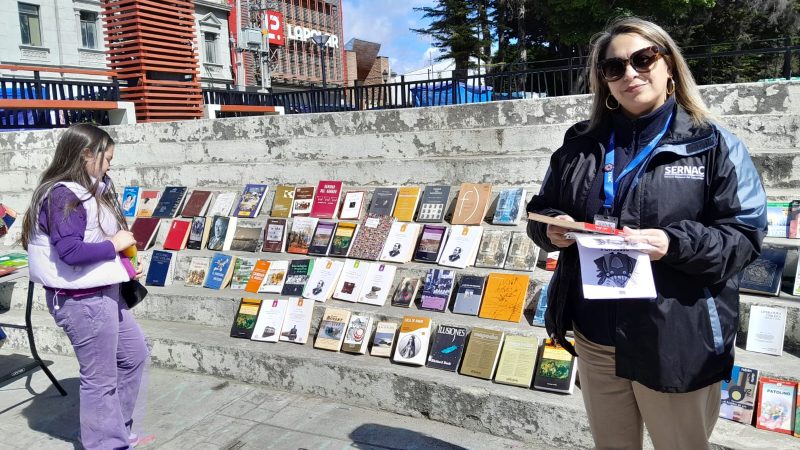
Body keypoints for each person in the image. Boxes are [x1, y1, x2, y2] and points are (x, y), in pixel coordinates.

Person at [526, 17, 767, 450]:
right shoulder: (579, 143)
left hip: (674, 337)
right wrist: (554, 232)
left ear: (669, 64)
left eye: (642, 59)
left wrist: (673, 244)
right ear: (604, 80)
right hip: (596, 337)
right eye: (614, 67)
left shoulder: (713, 144)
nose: (629, 74)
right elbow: (541, 213)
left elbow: (744, 236)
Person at [21, 124, 150, 450]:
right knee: (100, 378)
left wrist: (123, 262)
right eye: (106, 158)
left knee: (134, 355)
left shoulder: (91, 189)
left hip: (102, 293)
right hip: (82, 300)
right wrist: (115, 244)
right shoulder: (64, 194)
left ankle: (114, 432)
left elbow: (91, 240)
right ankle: (107, 444)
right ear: (85, 155)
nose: (110, 165)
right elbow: (71, 252)